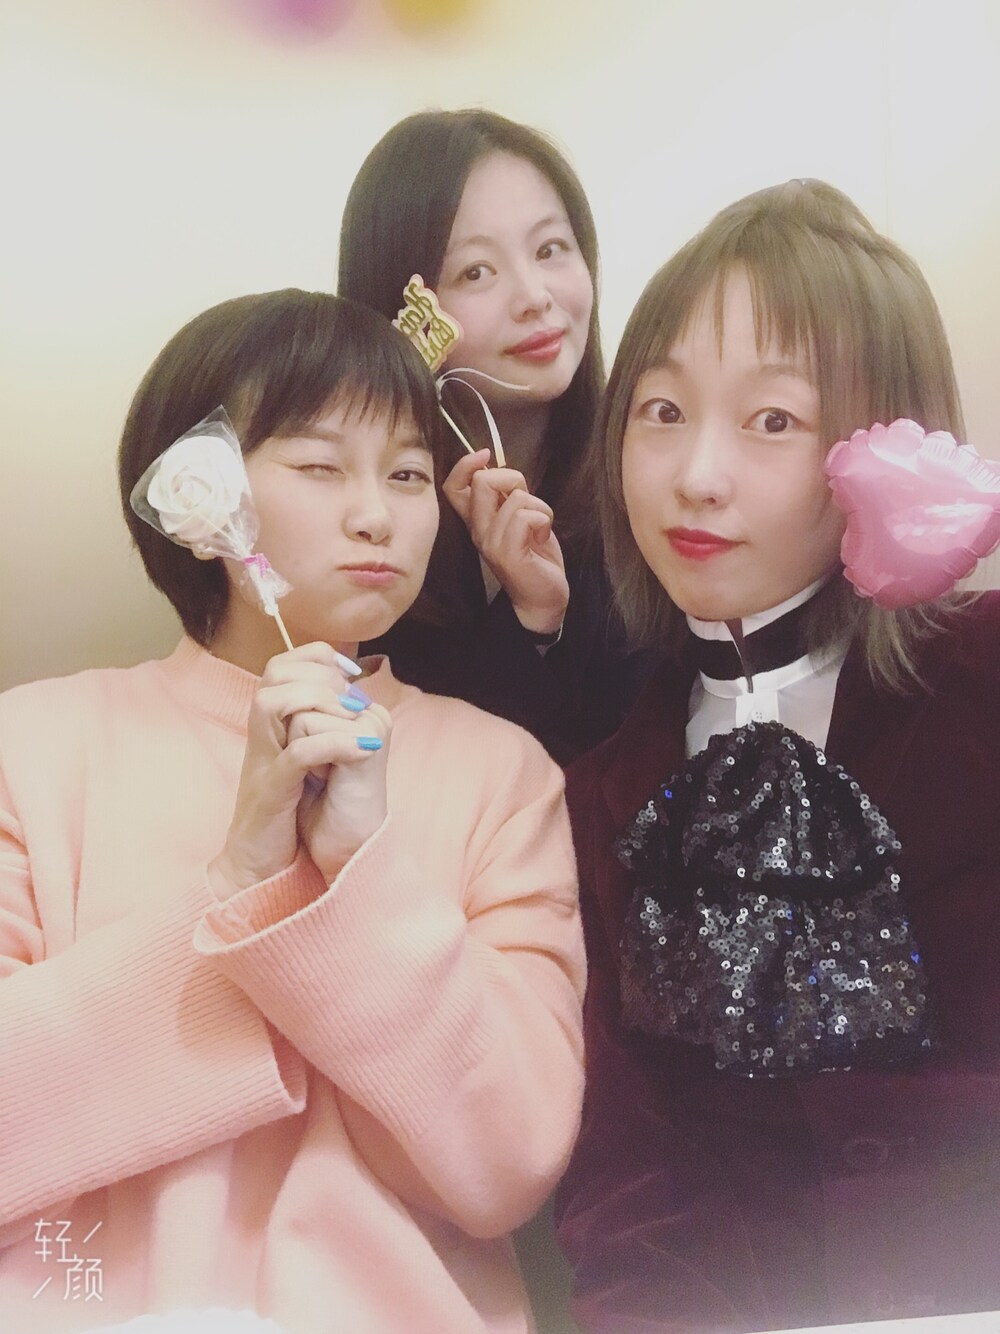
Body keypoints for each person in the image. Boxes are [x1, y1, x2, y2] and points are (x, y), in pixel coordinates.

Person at [0, 290, 586, 1334]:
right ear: (196, 489)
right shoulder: (33, 746)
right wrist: (240, 879)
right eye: (320, 467)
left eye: (407, 475)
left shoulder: (503, 774)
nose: (378, 515)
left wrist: (361, 874)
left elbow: (509, 1165)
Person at [553, 180, 1000, 1331]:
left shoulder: (981, 677)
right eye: (661, 410)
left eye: (771, 421)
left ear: (877, 446)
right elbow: (632, 1174)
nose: (696, 474)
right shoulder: (605, 793)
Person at [338, 108, 650, 764]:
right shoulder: (362, 519)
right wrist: (527, 624)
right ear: (407, 313)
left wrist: (537, 622)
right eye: (476, 272)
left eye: (550, 249)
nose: (535, 296)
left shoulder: (644, 479)